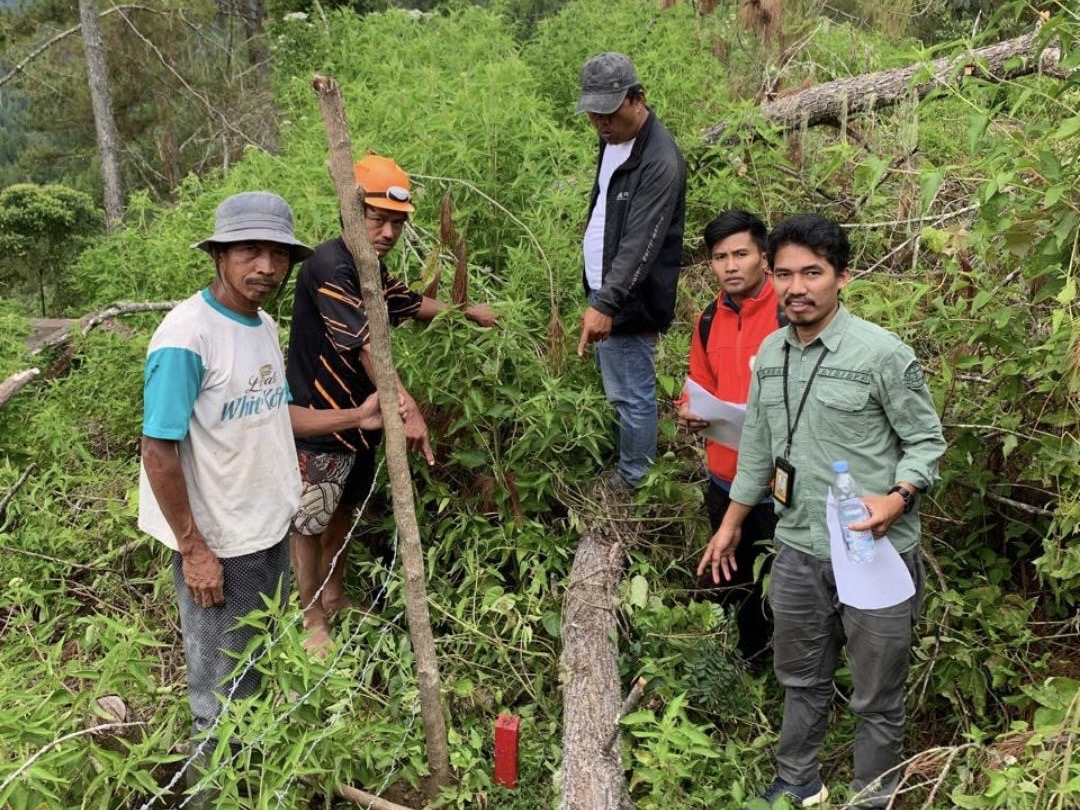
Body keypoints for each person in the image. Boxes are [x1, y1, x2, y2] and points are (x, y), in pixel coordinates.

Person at [139, 192, 385, 800]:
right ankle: (214, 796)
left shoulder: (262, 326)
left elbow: (276, 416)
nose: (267, 267)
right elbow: (158, 450)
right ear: (219, 254)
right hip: (221, 544)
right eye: (250, 250)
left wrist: (356, 414)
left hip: (270, 527)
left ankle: (249, 785)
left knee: (252, 676)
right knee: (218, 700)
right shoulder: (187, 336)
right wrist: (194, 549)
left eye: (278, 254)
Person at [697, 213, 946, 808]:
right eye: (784, 273)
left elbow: (926, 442)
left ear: (843, 277)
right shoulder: (771, 352)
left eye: (813, 272)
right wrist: (731, 525)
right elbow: (756, 445)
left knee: (877, 692)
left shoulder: (881, 354)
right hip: (799, 546)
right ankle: (797, 781)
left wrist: (897, 497)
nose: (796, 287)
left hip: (873, 549)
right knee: (800, 677)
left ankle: (872, 794)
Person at [287, 154, 497, 653]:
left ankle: (334, 595)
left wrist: (469, 313)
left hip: (363, 421)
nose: (385, 232)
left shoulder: (368, 267)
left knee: (341, 511)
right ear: (350, 213)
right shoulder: (328, 265)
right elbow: (366, 346)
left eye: (395, 223)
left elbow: (408, 303)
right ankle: (311, 618)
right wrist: (407, 407)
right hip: (322, 419)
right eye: (376, 219)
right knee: (309, 519)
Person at [677, 210, 783, 671]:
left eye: (741, 254)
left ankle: (796, 670)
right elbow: (697, 381)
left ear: (764, 256)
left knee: (784, 583)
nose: (730, 266)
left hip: (778, 484)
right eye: (720, 257)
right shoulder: (707, 319)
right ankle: (749, 666)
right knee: (734, 581)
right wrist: (689, 411)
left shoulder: (788, 310)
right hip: (723, 475)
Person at [574, 52, 686, 489]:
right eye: (594, 114)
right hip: (607, 289)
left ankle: (636, 479)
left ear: (638, 98)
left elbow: (642, 242)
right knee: (620, 387)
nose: (601, 123)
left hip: (628, 297)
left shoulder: (660, 161)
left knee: (632, 394)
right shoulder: (615, 138)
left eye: (609, 112)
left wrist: (607, 302)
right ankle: (628, 460)